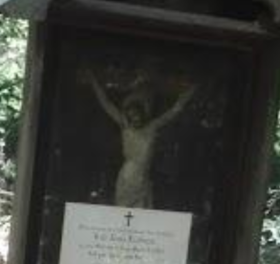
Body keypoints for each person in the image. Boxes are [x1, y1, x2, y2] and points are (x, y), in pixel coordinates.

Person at [81, 67, 197, 209]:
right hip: (127, 179)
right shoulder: (125, 126)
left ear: (142, 114)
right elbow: (106, 102)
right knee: (123, 214)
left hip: (144, 180)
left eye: (136, 115)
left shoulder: (152, 127)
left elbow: (174, 111)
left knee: (143, 217)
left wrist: (189, 93)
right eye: (130, 116)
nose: (134, 118)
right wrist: (93, 81)